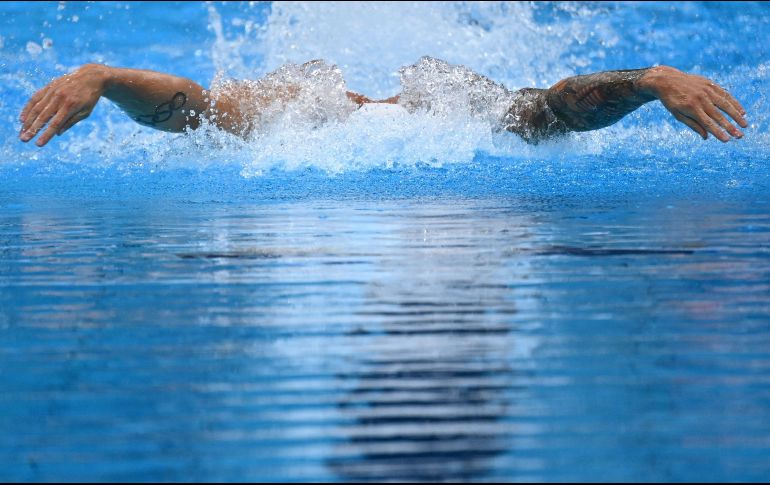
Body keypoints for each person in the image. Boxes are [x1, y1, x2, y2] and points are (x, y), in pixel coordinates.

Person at [18, 57, 747, 148]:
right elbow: (194, 108)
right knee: (312, 95)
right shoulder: (307, 112)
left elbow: (556, 108)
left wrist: (654, 82)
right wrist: (104, 78)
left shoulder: (453, 113)